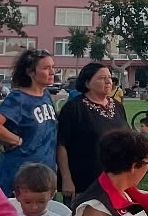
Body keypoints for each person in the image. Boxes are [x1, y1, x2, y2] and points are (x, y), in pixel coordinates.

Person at [0, 49, 59, 195]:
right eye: (46, 68)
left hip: (44, 171)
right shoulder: (18, 98)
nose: (52, 72)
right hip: (20, 172)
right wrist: (16, 140)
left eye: (53, 67)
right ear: (30, 72)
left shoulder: (45, 95)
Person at [55, 62, 129, 204]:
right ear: (87, 83)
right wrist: (66, 179)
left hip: (116, 181)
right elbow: (61, 145)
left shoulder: (117, 106)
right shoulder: (74, 108)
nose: (108, 81)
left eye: (109, 77)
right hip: (84, 182)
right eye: (102, 78)